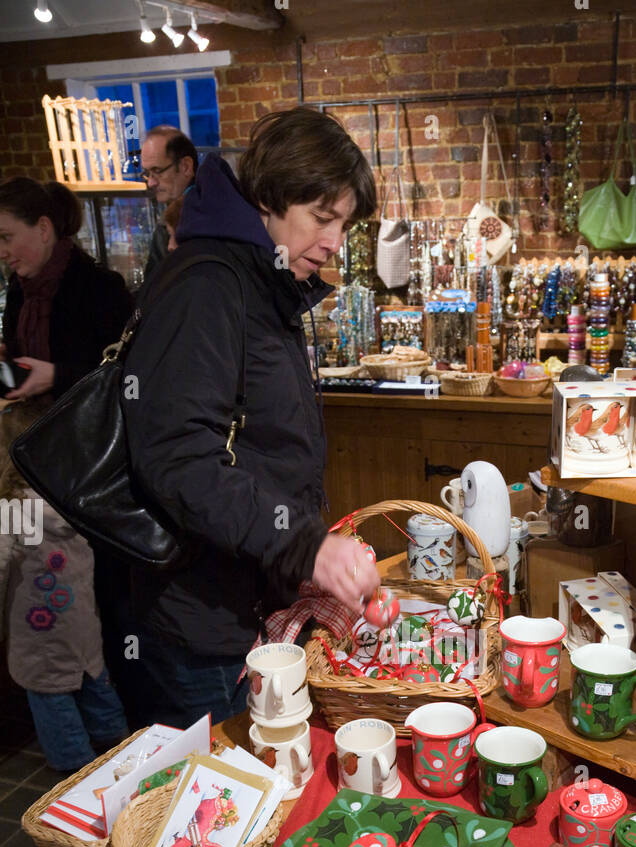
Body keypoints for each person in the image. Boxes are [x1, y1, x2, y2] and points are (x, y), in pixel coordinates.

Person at [121, 106, 380, 728]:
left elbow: (255, 445)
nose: (333, 243)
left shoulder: (257, 281)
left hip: (246, 603)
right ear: (269, 198)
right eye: (322, 218)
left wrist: (303, 557)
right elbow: (178, 457)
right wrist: (304, 546)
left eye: (342, 225)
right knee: (234, 802)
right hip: (204, 624)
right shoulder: (209, 286)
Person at [0, 179, 131, 772]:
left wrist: (56, 372)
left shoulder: (99, 290)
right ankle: (116, 761)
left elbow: (125, 381)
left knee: (65, 615)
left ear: (45, 229)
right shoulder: (18, 289)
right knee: (69, 624)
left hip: (77, 473)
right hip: (28, 462)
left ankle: (83, 776)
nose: (3, 251)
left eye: (8, 237)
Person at [140, 126, 197, 281]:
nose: (151, 182)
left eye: (157, 170)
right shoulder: (175, 215)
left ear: (186, 166)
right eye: (146, 173)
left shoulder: (197, 221)